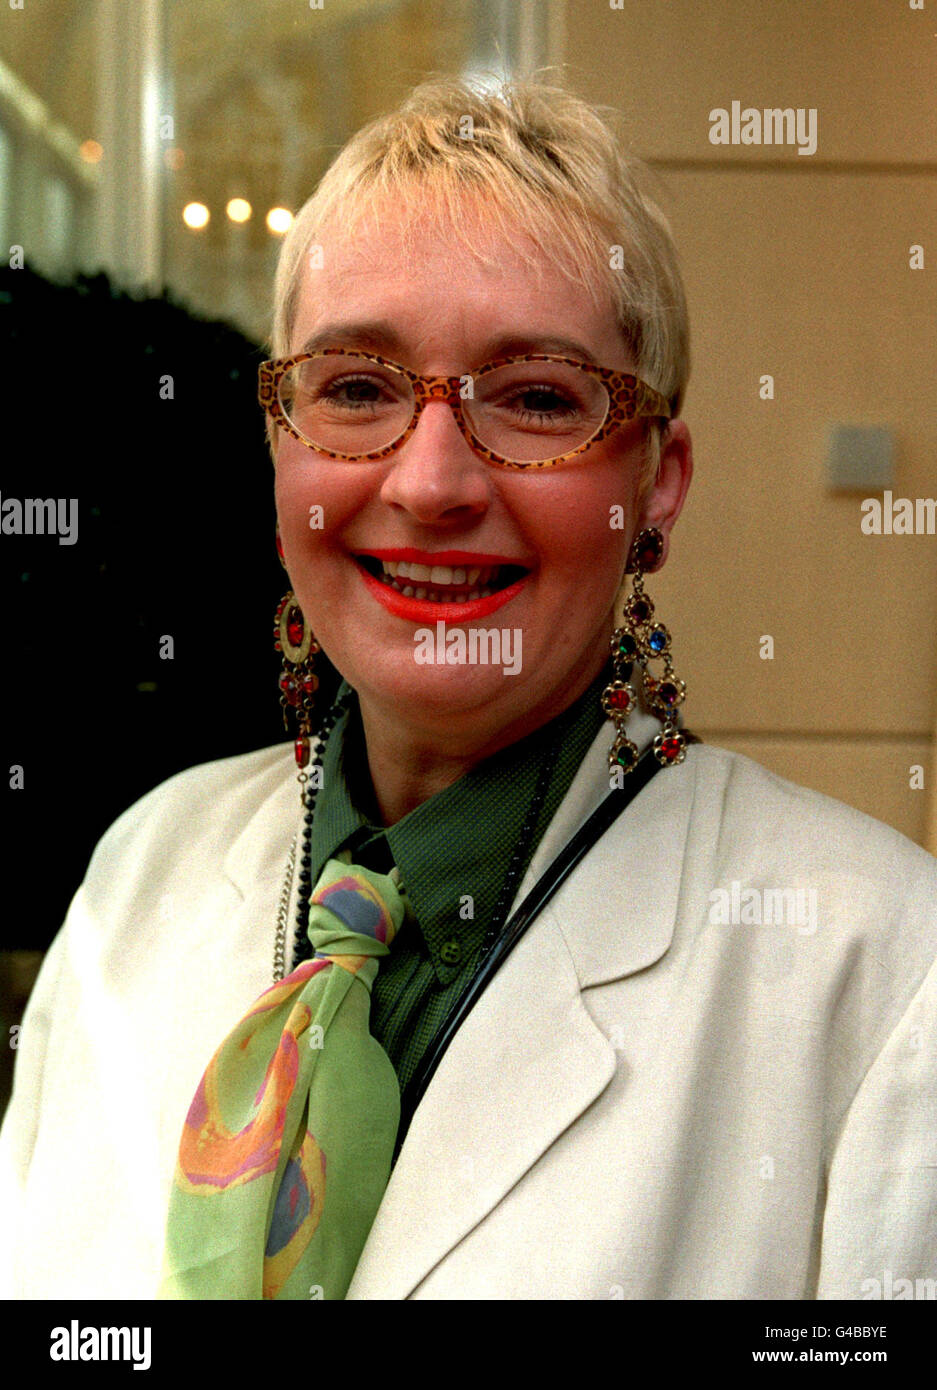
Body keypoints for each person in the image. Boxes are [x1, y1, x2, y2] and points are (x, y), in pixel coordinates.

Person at [2, 74, 936, 1302]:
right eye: (356, 389)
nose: (431, 481)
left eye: (538, 397)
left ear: (658, 482)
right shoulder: (141, 870)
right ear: (279, 449)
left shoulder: (880, 969)